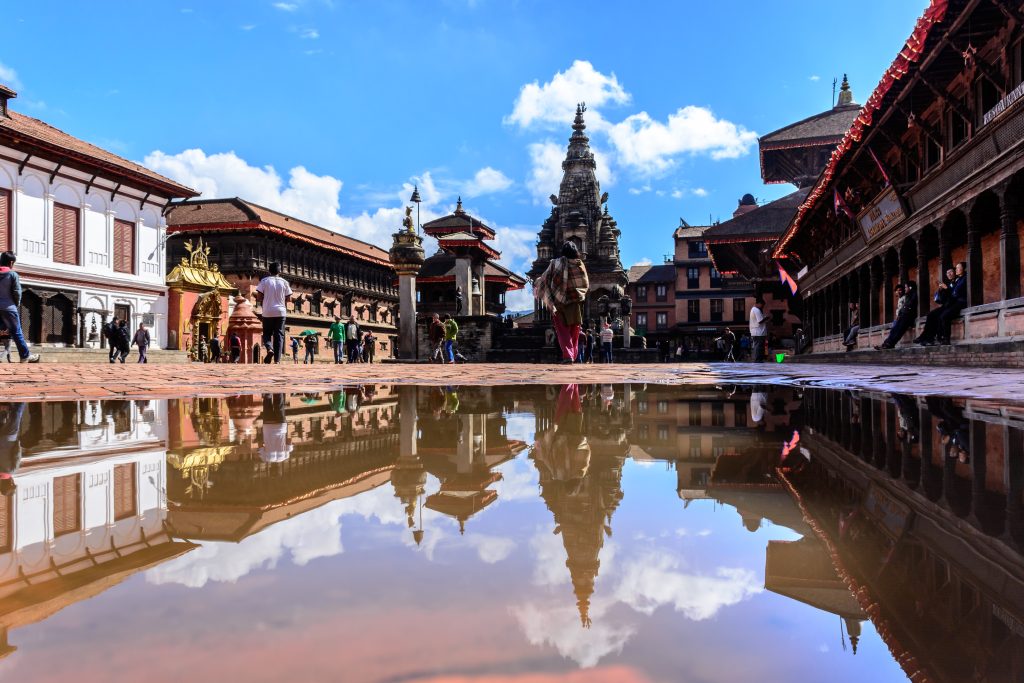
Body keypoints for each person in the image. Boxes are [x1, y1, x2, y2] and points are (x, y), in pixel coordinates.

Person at [533, 241, 589, 365]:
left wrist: (537, 282)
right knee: (574, 330)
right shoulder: (580, 264)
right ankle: (572, 355)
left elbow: (544, 279)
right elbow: (585, 284)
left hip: (558, 303)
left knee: (562, 331)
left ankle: (568, 355)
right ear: (576, 251)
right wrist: (577, 293)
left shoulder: (555, 263)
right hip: (575, 301)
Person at [0, 252, 39, 364]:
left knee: (2, 331)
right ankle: (25, 355)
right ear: (11, 262)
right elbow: (17, 292)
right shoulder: (13, 275)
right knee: (16, 332)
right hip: (9, 308)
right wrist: (15, 304)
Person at [917, 262, 967, 346]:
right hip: (948, 304)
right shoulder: (953, 282)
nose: (956, 269)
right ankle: (926, 337)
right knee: (931, 315)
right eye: (947, 273)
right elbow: (942, 299)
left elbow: (955, 293)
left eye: (958, 268)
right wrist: (941, 290)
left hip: (957, 303)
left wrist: (947, 289)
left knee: (943, 316)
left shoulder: (963, 279)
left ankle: (943, 338)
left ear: (963, 269)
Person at [255, 262, 292, 364]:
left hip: (267, 311)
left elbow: (258, 297)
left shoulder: (264, 281)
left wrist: (265, 299)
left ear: (269, 271)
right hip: (281, 312)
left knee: (267, 334)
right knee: (279, 335)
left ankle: (269, 348)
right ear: (279, 271)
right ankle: (277, 360)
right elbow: (289, 298)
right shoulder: (284, 282)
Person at [876, 282, 918, 349]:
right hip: (903, 316)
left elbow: (909, 306)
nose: (905, 289)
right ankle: (886, 343)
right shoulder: (907, 296)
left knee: (899, 330)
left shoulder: (913, 295)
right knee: (894, 329)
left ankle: (890, 343)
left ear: (910, 288)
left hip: (908, 317)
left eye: (906, 287)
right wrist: (900, 315)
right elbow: (902, 308)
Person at [0, 402, 25, 500]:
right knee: (2, 420)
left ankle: (22, 399)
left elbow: (17, 453)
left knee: (16, 415)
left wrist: (17, 442)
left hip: (9, 439)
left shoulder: (12, 470)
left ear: (11, 482)